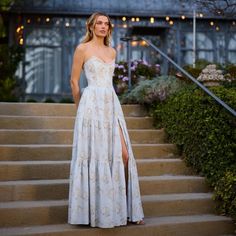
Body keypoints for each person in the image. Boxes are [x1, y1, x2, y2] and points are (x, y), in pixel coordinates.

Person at [68, 12, 144, 228]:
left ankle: (128, 210)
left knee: (124, 155)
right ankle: (97, 213)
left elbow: (108, 82)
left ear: (109, 28)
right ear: (91, 26)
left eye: (106, 24)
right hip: (91, 104)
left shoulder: (112, 51)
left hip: (111, 104)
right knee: (97, 155)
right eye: (99, 23)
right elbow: (74, 82)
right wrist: (79, 108)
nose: (103, 26)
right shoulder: (82, 49)